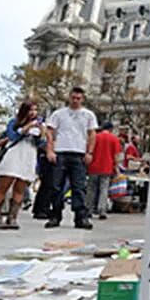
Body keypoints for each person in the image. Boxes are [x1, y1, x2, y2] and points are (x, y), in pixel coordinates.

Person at [44, 87, 98, 230]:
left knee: (79, 187)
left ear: (83, 99)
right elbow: (49, 131)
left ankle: (80, 217)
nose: (75, 101)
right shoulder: (59, 114)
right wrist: (50, 150)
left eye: (78, 98)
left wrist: (90, 152)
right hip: (60, 152)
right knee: (56, 186)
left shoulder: (88, 115)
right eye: (73, 98)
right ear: (69, 97)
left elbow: (92, 134)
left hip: (79, 154)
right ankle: (55, 215)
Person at [0, 101, 44, 229]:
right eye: (30, 110)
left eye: (35, 110)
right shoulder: (14, 122)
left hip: (28, 156)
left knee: (20, 188)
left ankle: (12, 217)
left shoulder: (39, 125)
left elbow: (41, 144)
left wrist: (41, 132)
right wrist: (26, 128)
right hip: (13, 155)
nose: (33, 113)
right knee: (3, 185)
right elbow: (12, 136)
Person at [87, 122, 122, 220]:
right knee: (104, 189)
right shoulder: (114, 139)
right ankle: (102, 210)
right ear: (110, 129)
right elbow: (116, 156)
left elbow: (89, 150)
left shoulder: (95, 137)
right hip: (107, 167)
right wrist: (117, 168)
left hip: (93, 167)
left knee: (91, 189)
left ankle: (88, 209)